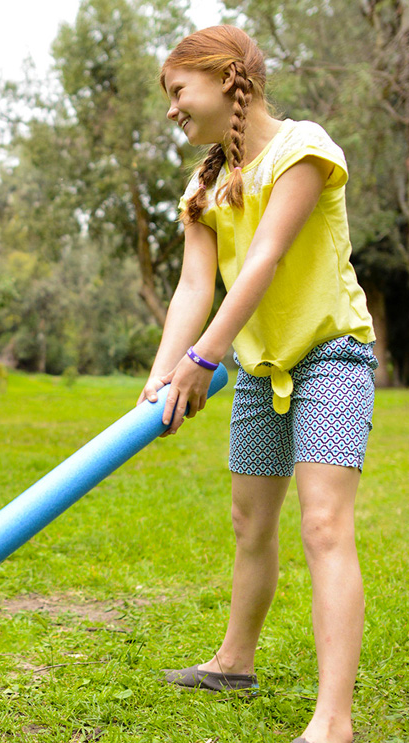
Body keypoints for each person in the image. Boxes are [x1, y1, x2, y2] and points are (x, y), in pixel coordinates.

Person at [140, 26, 377, 743]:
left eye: (178, 91)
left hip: (330, 357)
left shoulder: (303, 147)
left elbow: (265, 259)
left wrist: (203, 360)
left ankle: (333, 722)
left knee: (325, 524)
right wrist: (162, 373)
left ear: (225, 78)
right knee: (251, 523)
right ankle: (234, 662)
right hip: (256, 366)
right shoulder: (205, 183)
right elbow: (191, 286)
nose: (172, 109)